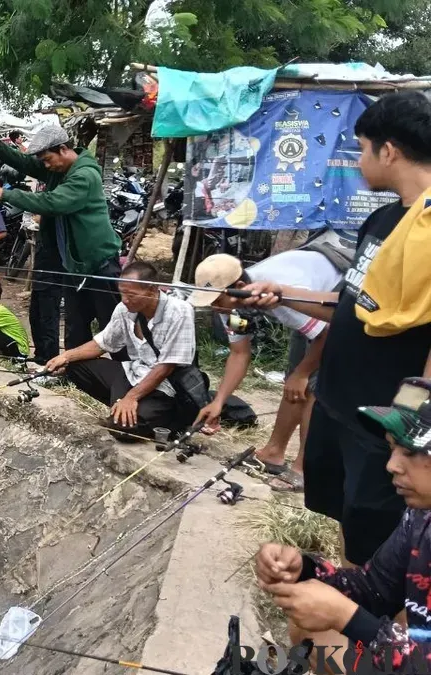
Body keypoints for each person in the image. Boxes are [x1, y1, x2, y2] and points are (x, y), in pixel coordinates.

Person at [241, 91, 431, 566]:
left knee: (379, 540)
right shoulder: (384, 219)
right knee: (348, 518)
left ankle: (366, 627)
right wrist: (281, 293)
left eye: (362, 148)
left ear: (388, 150)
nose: (360, 161)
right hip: (339, 403)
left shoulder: (426, 231)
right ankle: (346, 598)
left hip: (381, 421)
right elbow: (351, 304)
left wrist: (407, 423)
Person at [254, 377, 431, 674]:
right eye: (392, 448)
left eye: (410, 452)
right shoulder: (420, 516)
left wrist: (346, 617)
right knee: (312, 627)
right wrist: (305, 569)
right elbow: (375, 589)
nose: (392, 465)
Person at [190, 251, 343, 491]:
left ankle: (303, 469)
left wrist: (303, 374)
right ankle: (273, 453)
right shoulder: (231, 305)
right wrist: (218, 401)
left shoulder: (282, 299)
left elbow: (328, 333)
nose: (215, 308)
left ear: (239, 287)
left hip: (332, 301)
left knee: (313, 386)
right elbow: (240, 353)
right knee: (293, 383)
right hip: (315, 322)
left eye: (217, 301)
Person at [0, 123, 121, 356]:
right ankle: (74, 374)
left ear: (63, 149)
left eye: (47, 159)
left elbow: (52, 202)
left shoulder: (84, 175)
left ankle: (130, 376)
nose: (45, 165)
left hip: (99, 264)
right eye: (43, 161)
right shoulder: (57, 169)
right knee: (75, 327)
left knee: (114, 327)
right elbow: (26, 163)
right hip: (73, 266)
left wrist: (6, 194)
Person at [44, 262, 196, 438]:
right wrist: (66, 356)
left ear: (152, 289)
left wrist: (131, 397)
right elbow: (102, 343)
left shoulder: (179, 311)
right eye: (122, 293)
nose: (125, 299)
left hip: (166, 386)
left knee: (121, 428)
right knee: (74, 365)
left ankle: (168, 418)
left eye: (131, 294)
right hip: (133, 373)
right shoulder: (124, 309)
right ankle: (121, 406)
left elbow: (166, 366)